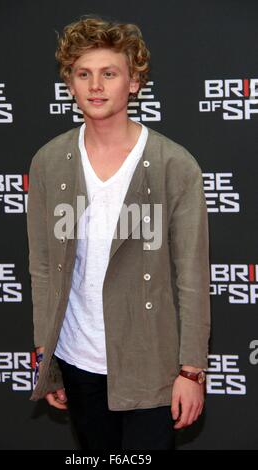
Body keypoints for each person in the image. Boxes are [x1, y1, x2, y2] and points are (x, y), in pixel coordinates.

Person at [26, 15, 211, 450]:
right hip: (76, 358)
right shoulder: (50, 162)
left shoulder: (174, 165)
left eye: (109, 73)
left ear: (134, 82)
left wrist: (191, 371)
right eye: (83, 74)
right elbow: (43, 267)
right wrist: (47, 357)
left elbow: (192, 276)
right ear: (69, 84)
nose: (95, 86)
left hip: (153, 365)